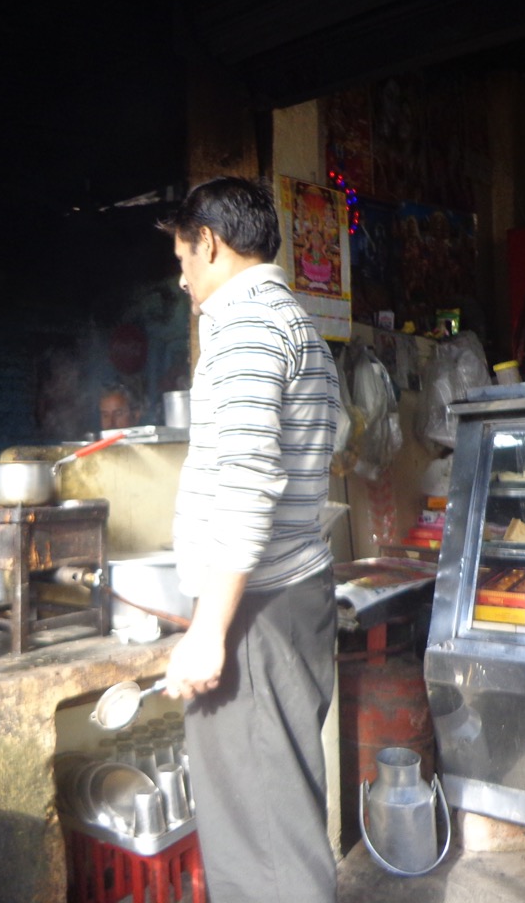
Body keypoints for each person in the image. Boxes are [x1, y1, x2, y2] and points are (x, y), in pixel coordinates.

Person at [157, 177, 341, 902]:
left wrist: (210, 629)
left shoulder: (243, 327)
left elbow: (245, 481)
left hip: (255, 611)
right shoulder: (295, 323)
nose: (180, 279)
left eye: (182, 258)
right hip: (291, 595)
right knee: (277, 818)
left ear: (210, 242)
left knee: (265, 849)